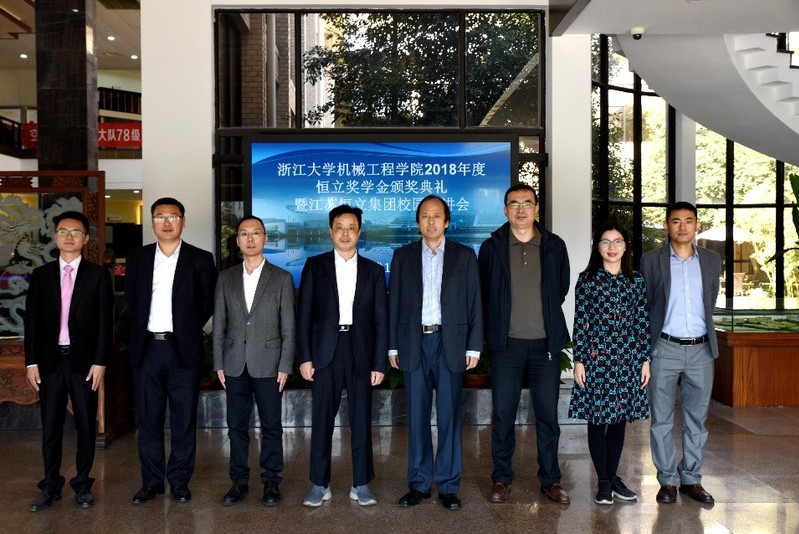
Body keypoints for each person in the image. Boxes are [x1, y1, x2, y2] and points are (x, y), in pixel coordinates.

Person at [478, 183, 571, 504]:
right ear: (505, 210)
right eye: (514, 204)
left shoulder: (554, 245)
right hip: (506, 347)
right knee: (503, 415)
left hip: (545, 346)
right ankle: (501, 478)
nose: (521, 209)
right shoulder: (492, 247)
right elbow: (484, 293)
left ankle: (551, 480)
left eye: (527, 203)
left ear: (537, 209)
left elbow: (560, 288)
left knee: (547, 416)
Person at [389, 195, 482, 511]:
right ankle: (418, 483)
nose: (431, 221)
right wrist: (393, 345)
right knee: (416, 417)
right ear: (418, 222)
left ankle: (448, 486)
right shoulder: (402, 256)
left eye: (437, 216)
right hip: (414, 342)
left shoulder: (464, 256)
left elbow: (475, 303)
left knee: (449, 417)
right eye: (425, 216)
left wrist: (473, 345)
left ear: (447, 221)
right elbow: (394, 303)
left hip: (450, 343)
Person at [124, 197, 217, 504]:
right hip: (147, 349)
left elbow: (207, 302)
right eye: (160, 217)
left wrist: (187, 328)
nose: (166, 222)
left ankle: (179, 481)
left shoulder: (200, 259)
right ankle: (151, 482)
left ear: (183, 222)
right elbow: (132, 300)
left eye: (173, 217)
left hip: (183, 350)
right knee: (148, 419)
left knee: (183, 418)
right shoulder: (137, 258)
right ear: (152, 222)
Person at [297, 205, 388, 507]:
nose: (345, 233)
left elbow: (381, 320)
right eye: (340, 227)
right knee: (322, 419)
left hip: (360, 351)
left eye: (351, 227)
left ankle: (360, 483)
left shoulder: (374, 271)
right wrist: (305, 357)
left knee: (361, 420)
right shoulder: (315, 266)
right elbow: (304, 315)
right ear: (330, 231)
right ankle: (319, 484)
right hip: (326, 351)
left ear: (359, 232)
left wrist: (379, 363)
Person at [24, 211, 114, 512]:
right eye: (63, 231)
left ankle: (82, 484)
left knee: (86, 425)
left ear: (85, 239)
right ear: (55, 237)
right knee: (50, 426)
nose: (69, 237)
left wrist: (100, 361)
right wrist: (31, 362)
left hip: (85, 363)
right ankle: (50, 485)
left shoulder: (98, 275)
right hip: (50, 363)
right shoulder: (41, 275)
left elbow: (105, 321)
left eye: (76, 232)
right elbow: (32, 322)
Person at [640, 201, 721, 505]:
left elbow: (710, 300)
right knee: (661, 418)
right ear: (666, 226)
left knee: (696, 419)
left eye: (689, 220)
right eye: (676, 221)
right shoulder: (652, 260)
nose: (683, 226)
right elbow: (646, 304)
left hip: (701, 349)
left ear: (697, 225)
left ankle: (691, 479)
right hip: (664, 348)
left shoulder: (712, 260)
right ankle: (667, 481)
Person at [212, 216, 296, 506]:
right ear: (237, 240)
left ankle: (271, 482)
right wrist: (219, 362)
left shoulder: (281, 278)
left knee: (271, 426)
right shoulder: (226, 278)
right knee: (236, 426)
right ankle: (238, 482)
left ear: (265, 239)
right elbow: (219, 325)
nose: (250, 239)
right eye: (244, 234)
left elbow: (289, 328)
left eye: (256, 233)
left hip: (269, 364)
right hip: (234, 363)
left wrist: (285, 365)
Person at [568, 221, 651, 505]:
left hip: (628, 358)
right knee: (597, 419)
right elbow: (580, 322)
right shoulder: (587, 280)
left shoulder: (636, 280)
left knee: (618, 421)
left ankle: (613, 477)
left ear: (626, 247)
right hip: (596, 359)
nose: (612, 247)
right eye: (605, 241)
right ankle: (603, 481)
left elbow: (642, 322)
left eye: (617, 241)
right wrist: (579, 360)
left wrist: (644, 359)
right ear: (598, 247)